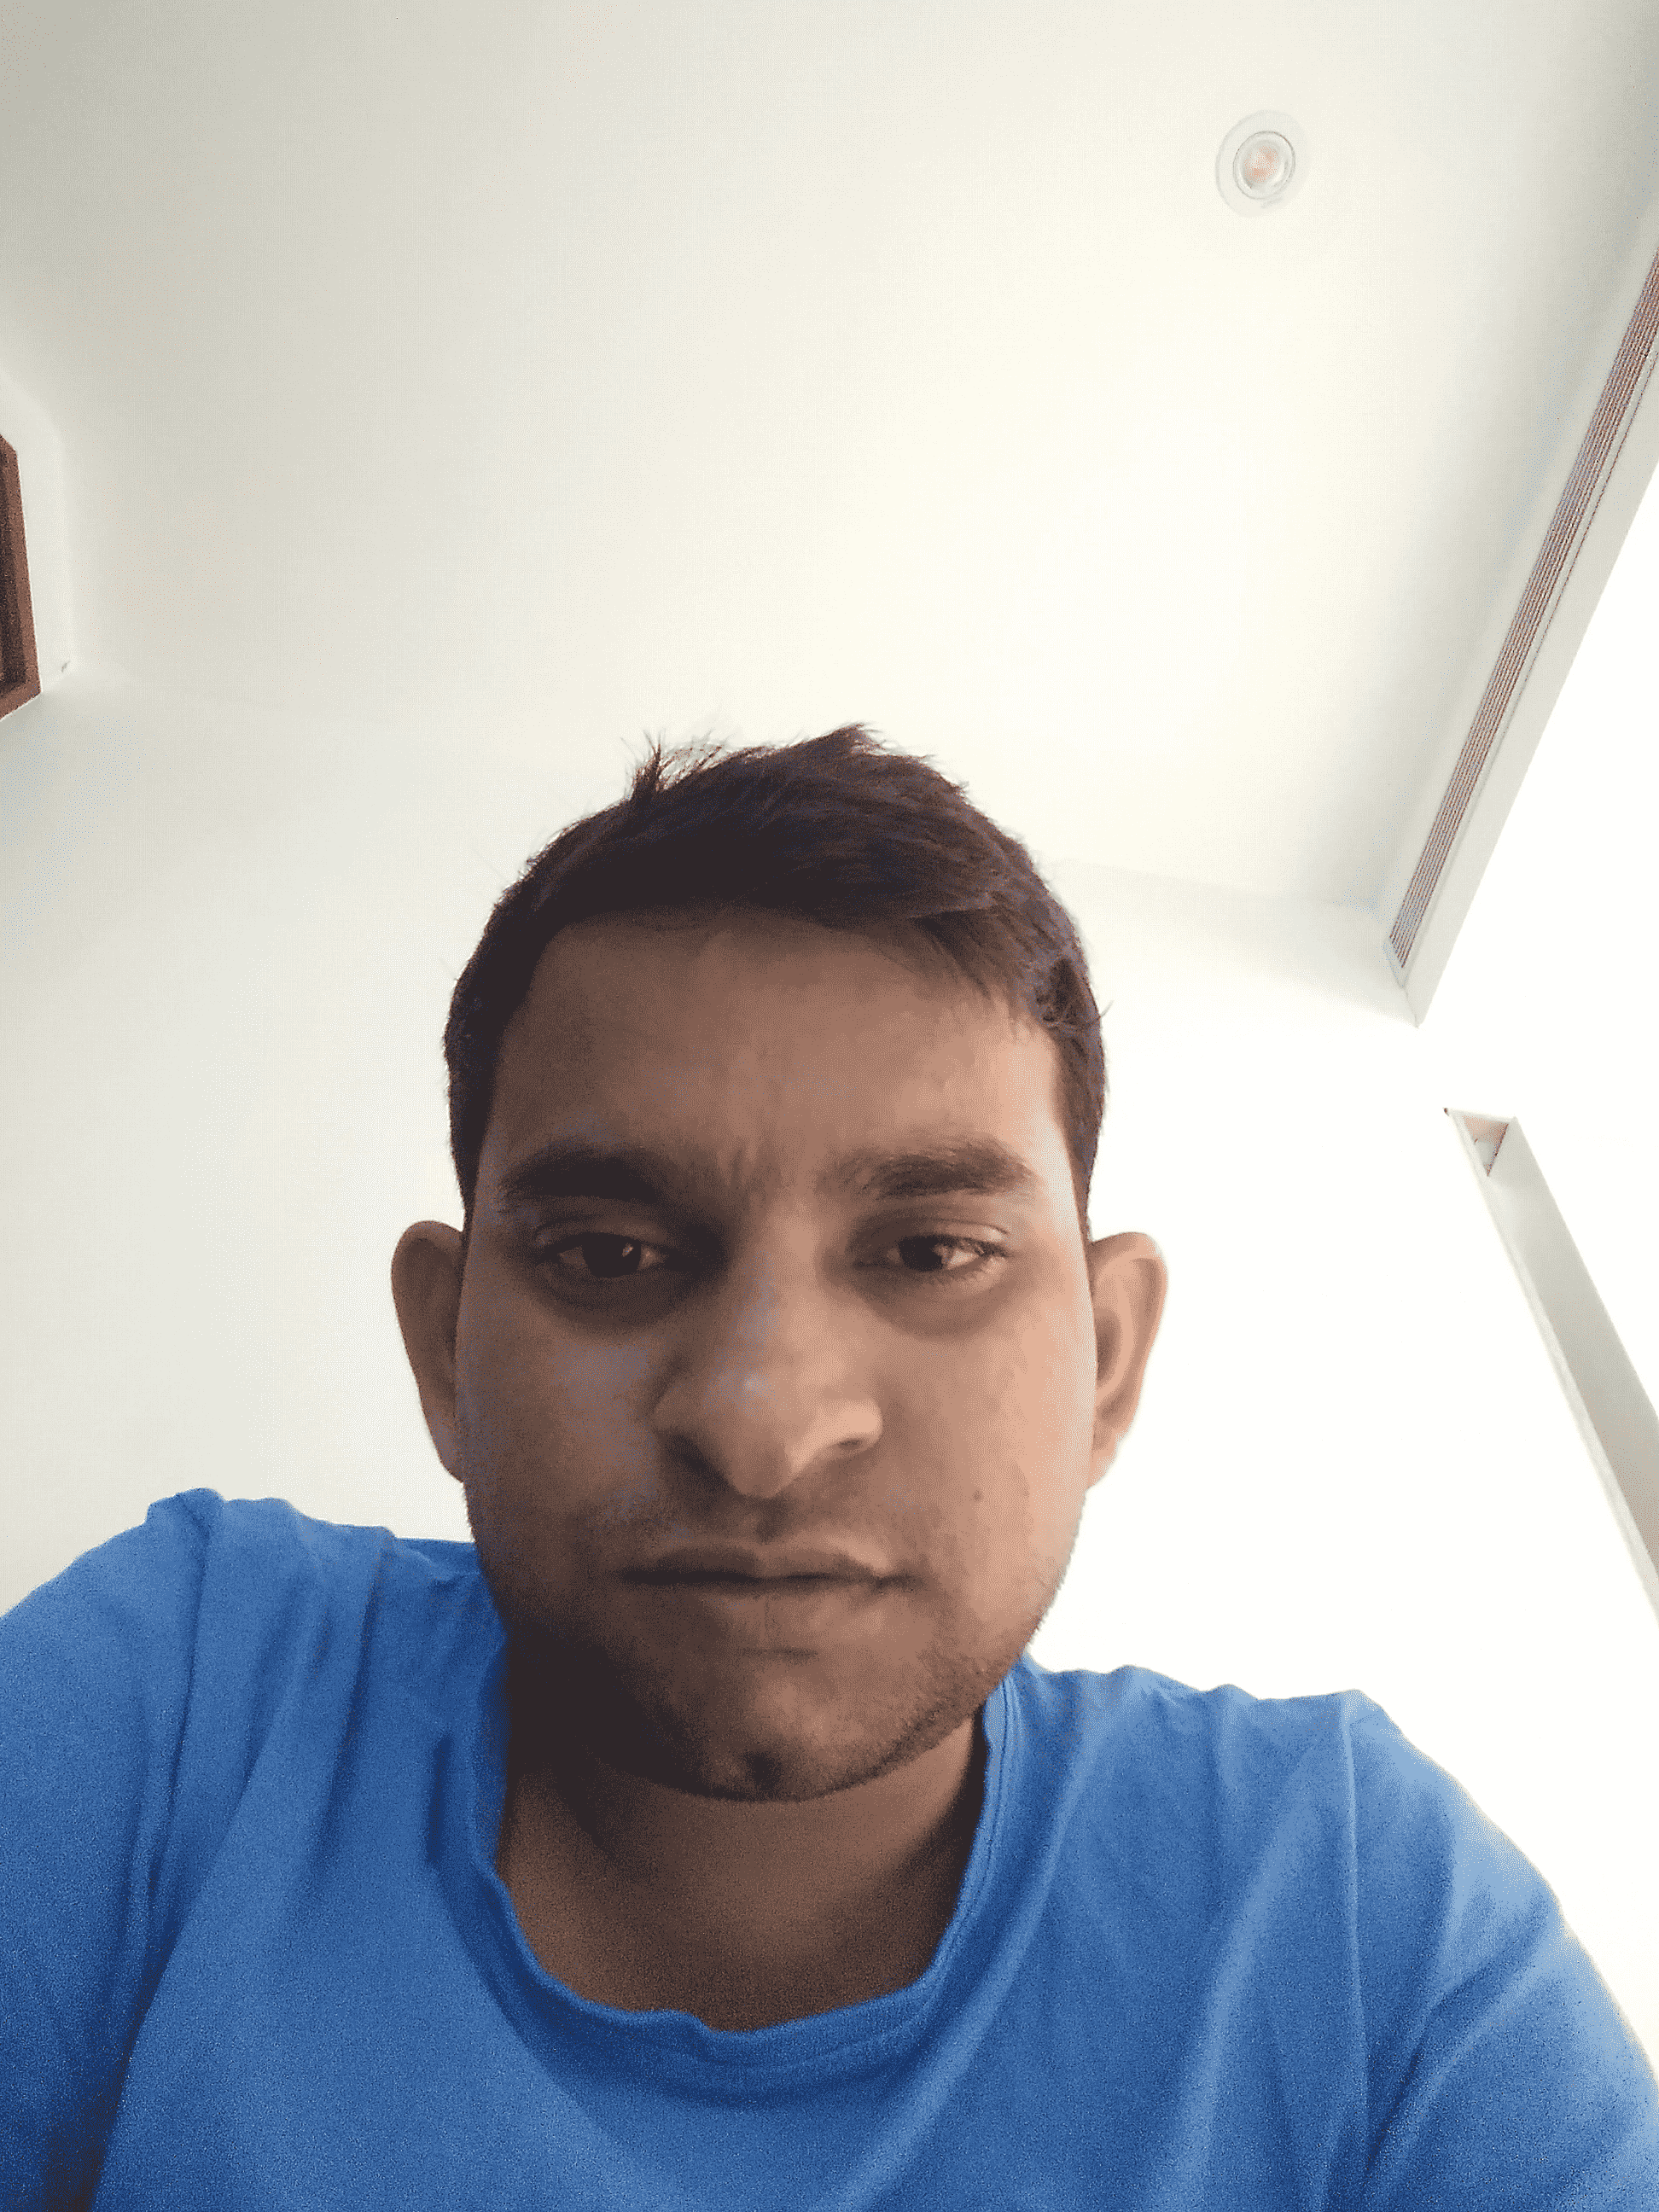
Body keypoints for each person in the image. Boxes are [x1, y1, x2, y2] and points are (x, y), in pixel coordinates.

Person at [3, 725, 1656, 2209]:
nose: (761, 1427)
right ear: (447, 1351)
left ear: (1105, 1362)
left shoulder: (1357, 1918)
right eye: (607, 1253)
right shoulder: (193, 1691)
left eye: (931, 1252)